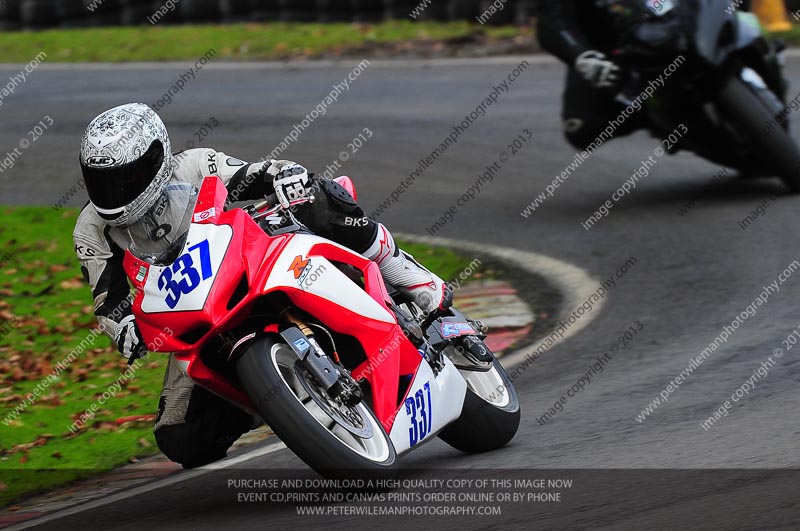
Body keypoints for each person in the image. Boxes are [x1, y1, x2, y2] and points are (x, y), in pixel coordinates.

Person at [73, 102, 452, 468]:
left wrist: (284, 176)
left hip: (251, 256)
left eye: (127, 178)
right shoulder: (91, 230)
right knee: (181, 438)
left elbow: (258, 173)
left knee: (315, 196)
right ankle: (270, 396)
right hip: (193, 309)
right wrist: (122, 329)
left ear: (157, 159)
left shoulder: (192, 165)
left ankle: (398, 267)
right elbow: (109, 300)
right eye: (102, 181)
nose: (114, 191)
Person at [537, 0, 752, 150]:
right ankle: (658, 119)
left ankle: (757, 50)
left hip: (681, 14)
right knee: (580, 128)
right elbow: (553, 24)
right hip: (616, 48)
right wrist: (583, 57)